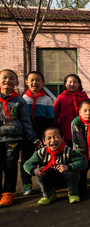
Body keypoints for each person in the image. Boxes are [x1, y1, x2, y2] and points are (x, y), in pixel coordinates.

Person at [0, 69, 42, 207]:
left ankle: (8, 193)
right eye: (5, 78)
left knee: (10, 166)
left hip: (13, 139)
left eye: (11, 78)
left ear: (17, 82)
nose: (8, 81)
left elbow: (26, 122)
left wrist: (33, 138)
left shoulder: (19, 101)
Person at [23, 126, 86, 205]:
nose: (53, 141)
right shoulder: (41, 153)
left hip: (66, 179)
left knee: (72, 170)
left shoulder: (68, 151)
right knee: (42, 170)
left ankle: (73, 193)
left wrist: (68, 167)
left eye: (56, 137)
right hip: (51, 180)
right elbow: (27, 164)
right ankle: (48, 194)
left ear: (62, 139)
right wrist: (34, 170)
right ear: (44, 141)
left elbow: (82, 162)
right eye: (49, 138)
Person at [21, 71, 54, 196]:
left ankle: (44, 183)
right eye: (32, 80)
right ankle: (26, 183)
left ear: (43, 83)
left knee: (44, 158)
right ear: (27, 82)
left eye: (38, 80)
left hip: (43, 133)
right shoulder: (23, 99)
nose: (35, 83)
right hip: (27, 133)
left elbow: (50, 118)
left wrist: (48, 135)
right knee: (26, 158)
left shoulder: (47, 99)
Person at [54, 74, 89, 145]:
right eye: (70, 82)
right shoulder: (61, 97)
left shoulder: (83, 97)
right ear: (65, 84)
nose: (72, 84)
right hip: (64, 127)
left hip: (81, 127)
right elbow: (55, 112)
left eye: (75, 82)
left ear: (79, 84)